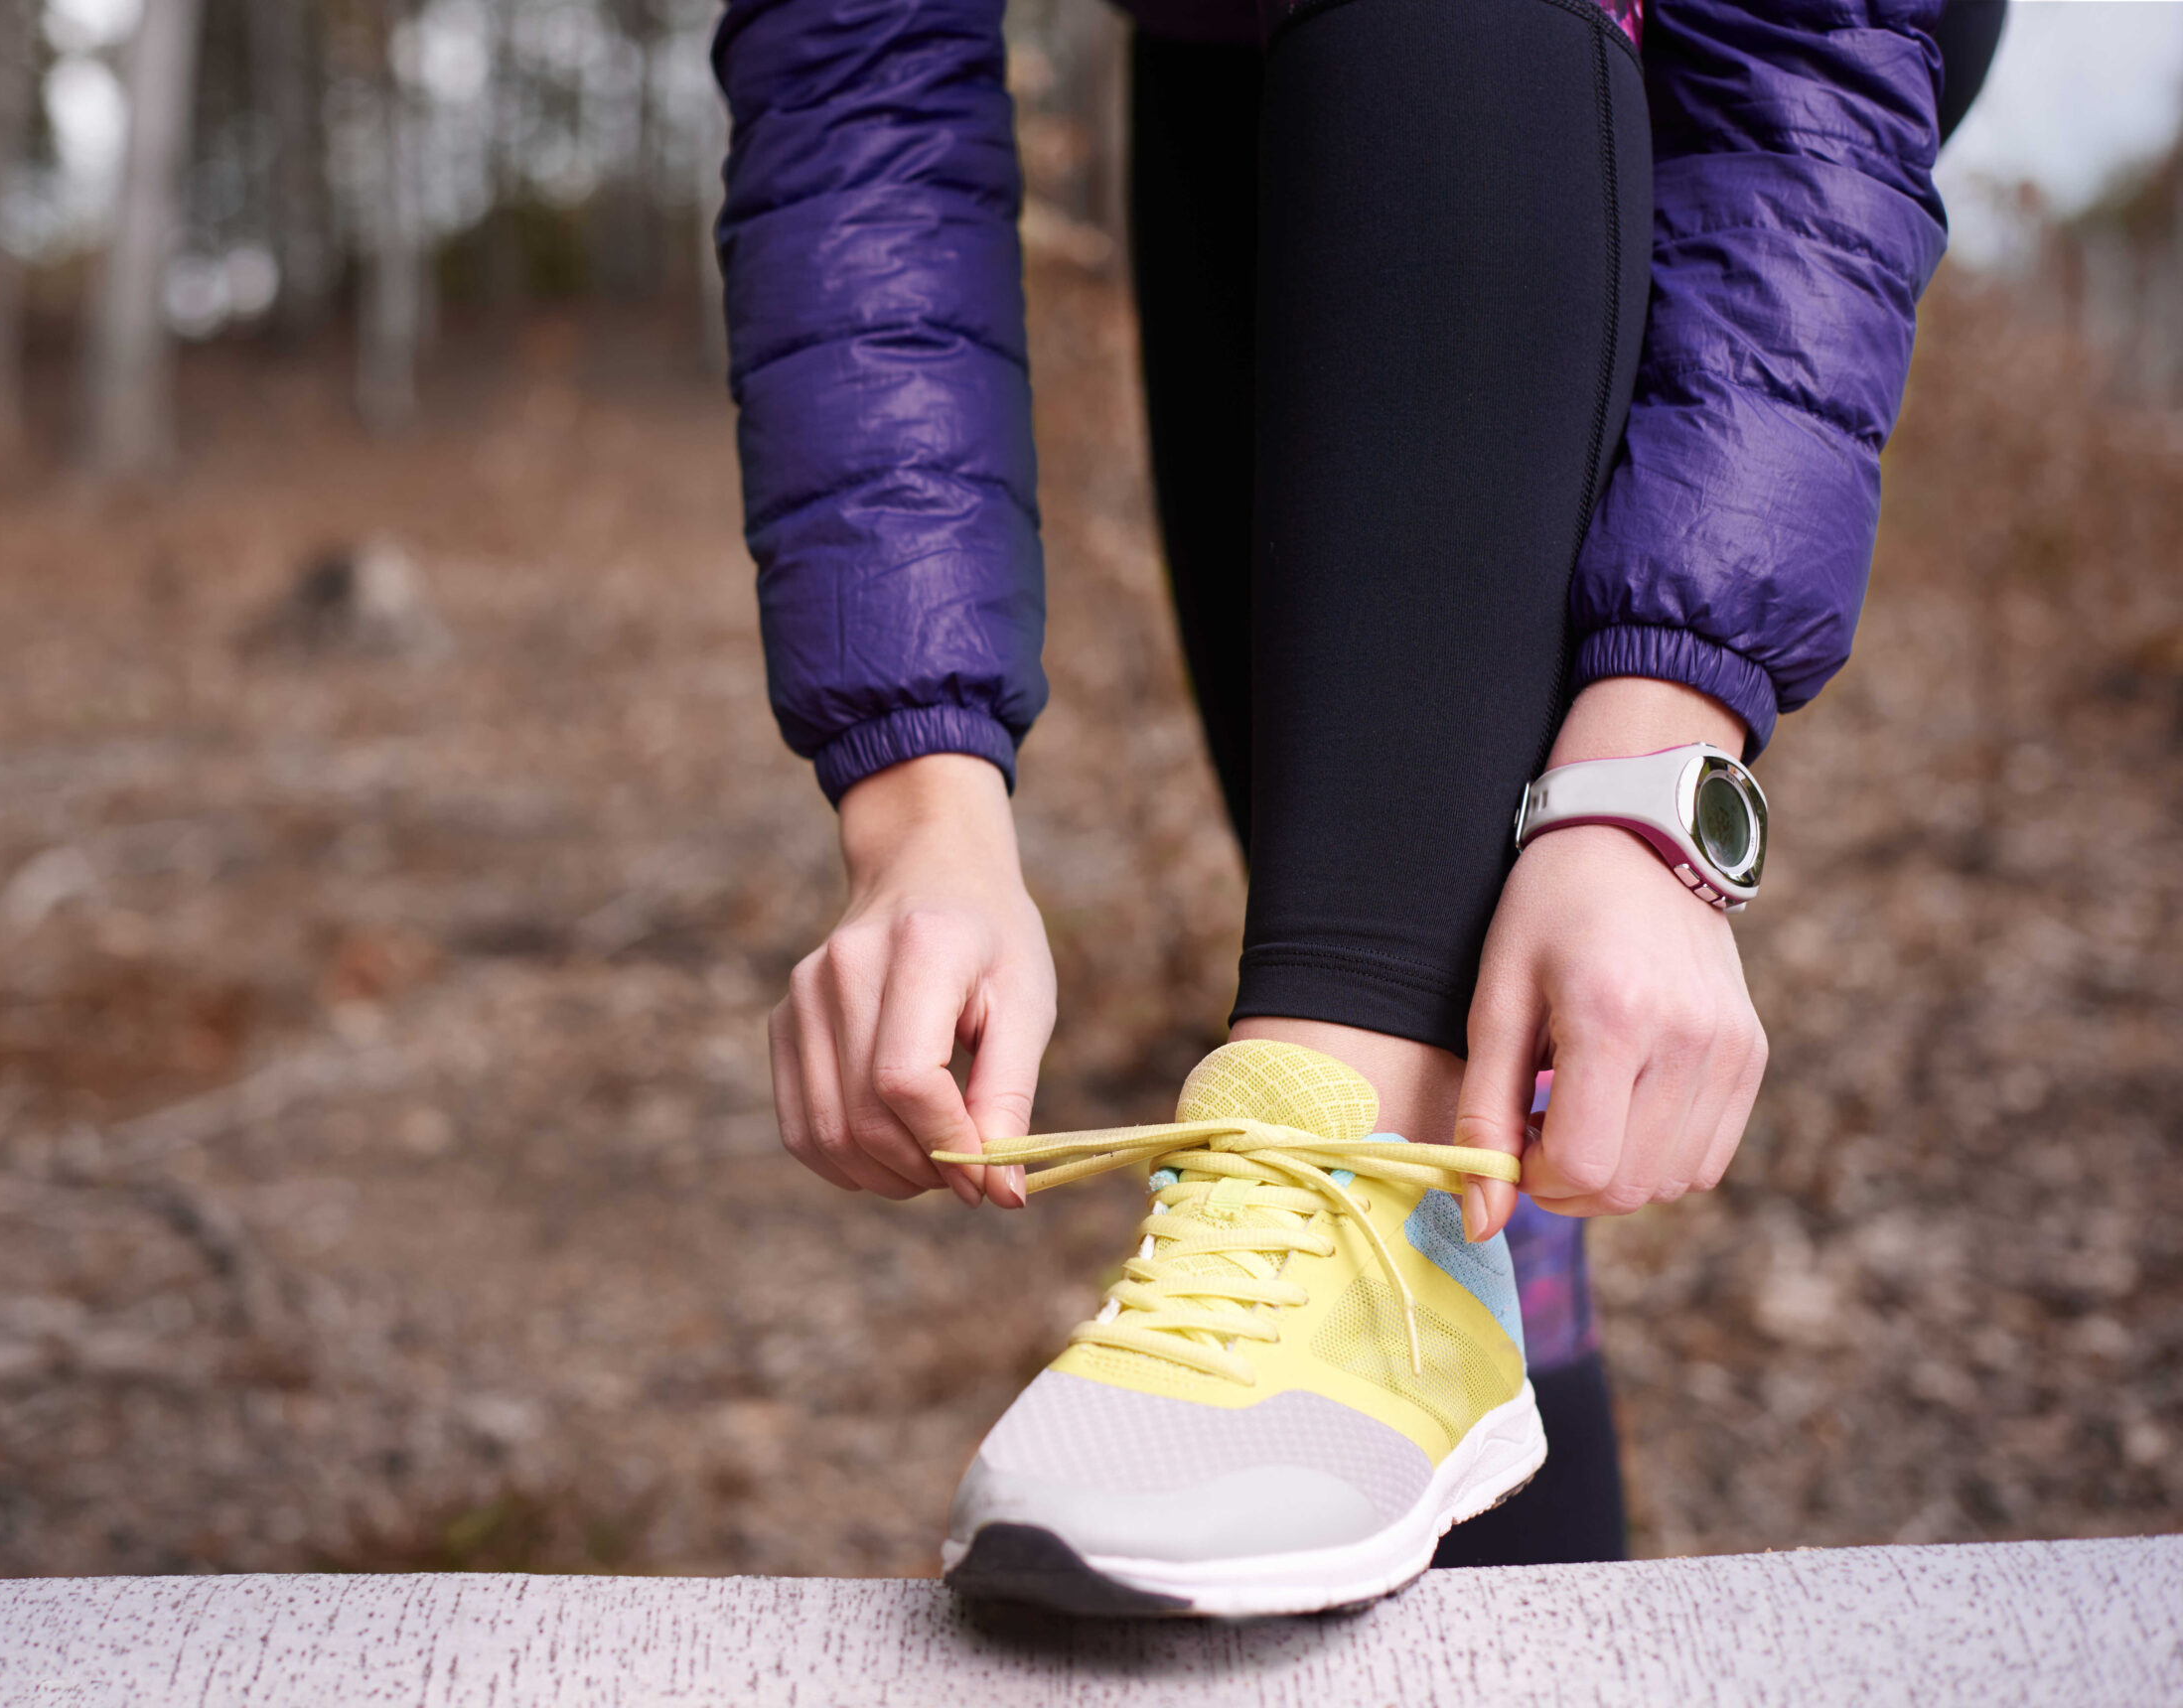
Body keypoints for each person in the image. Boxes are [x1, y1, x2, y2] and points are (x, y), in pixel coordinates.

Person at [712, 0, 1994, 1616]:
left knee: (1373, 1060)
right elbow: (859, 87)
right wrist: (920, 813)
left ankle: (1333, 1161)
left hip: (1714, 56)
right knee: (1459, 1147)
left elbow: (1808, 71)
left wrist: (1648, 783)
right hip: (1239, 55)